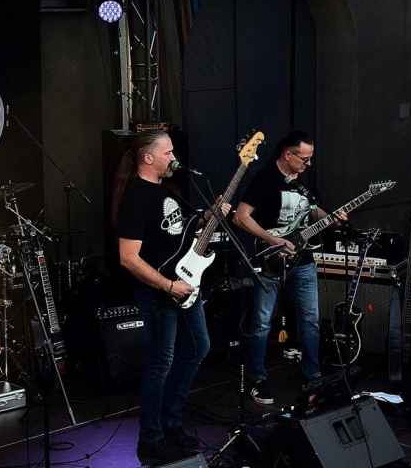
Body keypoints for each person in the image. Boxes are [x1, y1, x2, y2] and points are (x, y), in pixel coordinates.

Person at [115, 130, 231, 466]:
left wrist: (210, 214)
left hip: (185, 284)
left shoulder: (166, 191)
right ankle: (151, 440)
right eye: (167, 152)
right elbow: (128, 258)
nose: (173, 158)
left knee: (198, 347)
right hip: (159, 293)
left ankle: (172, 422)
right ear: (148, 157)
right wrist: (167, 286)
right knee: (160, 363)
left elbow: (182, 232)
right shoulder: (136, 196)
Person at [233, 131, 346, 406]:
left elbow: (312, 210)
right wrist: (272, 239)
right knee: (262, 322)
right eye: (304, 159)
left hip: (303, 259)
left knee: (310, 320)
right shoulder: (265, 178)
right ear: (288, 154)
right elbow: (240, 217)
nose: (309, 164)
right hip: (270, 258)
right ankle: (257, 379)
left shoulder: (303, 182)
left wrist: (332, 218)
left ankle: (313, 376)